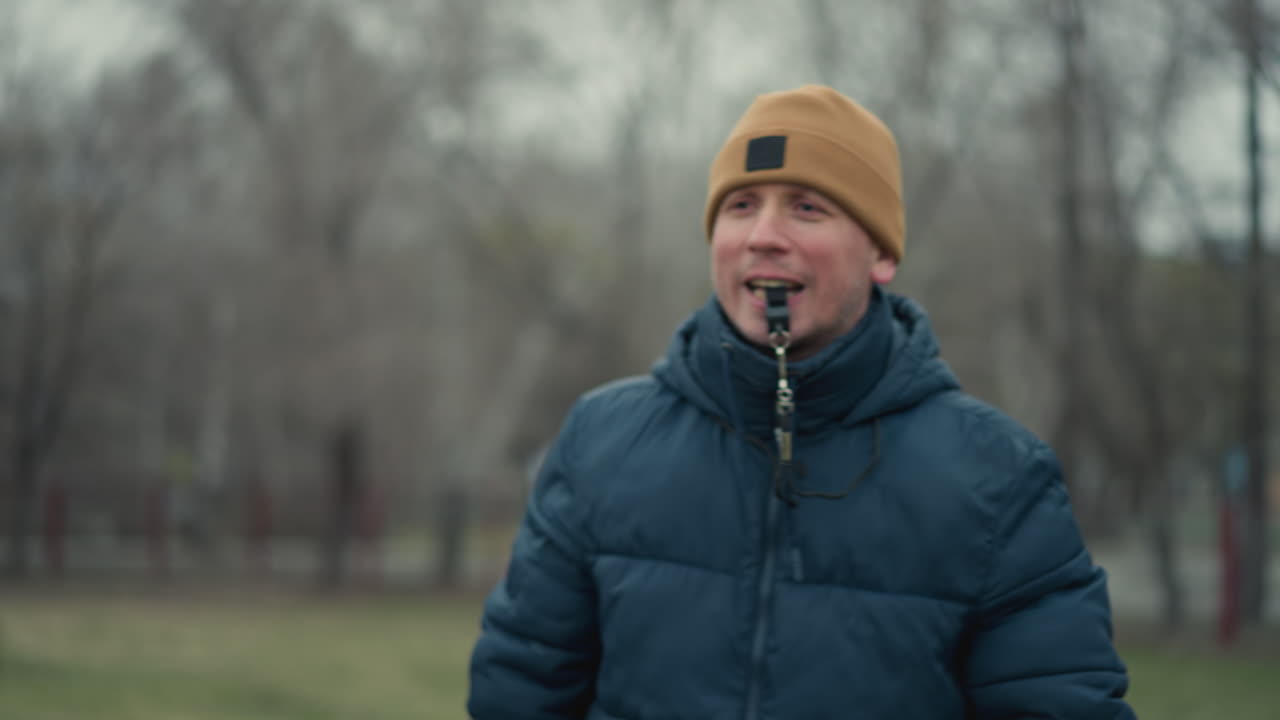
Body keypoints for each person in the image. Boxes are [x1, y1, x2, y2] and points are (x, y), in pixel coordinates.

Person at [468, 84, 1135, 719]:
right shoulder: (601, 440)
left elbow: (1060, 701)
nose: (763, 234)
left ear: (880, 253)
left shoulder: (999, 477)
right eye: (741, 205)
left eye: (807, 207)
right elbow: (518, 694)